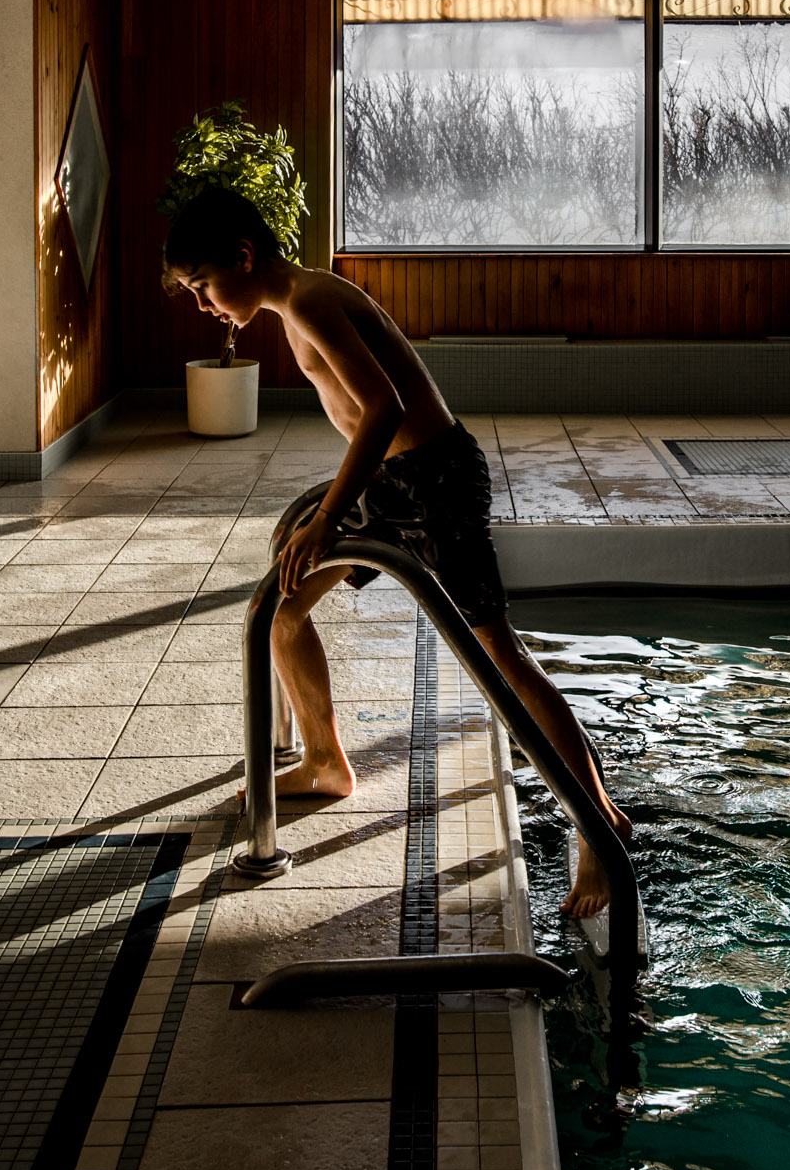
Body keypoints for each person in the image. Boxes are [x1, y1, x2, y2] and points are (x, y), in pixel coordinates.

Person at [162, 185, 630, 917]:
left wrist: (331, 519)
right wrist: (324, 512)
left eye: (202, 288)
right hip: (398, 482)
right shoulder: (295, 306)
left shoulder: (312, 302)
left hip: (435, 480)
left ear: (243, 257)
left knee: (500, 655)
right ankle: (323, 759)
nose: (203, 307)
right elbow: (364, 423)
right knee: (280, 600)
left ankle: (598, 827)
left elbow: (385, 409)